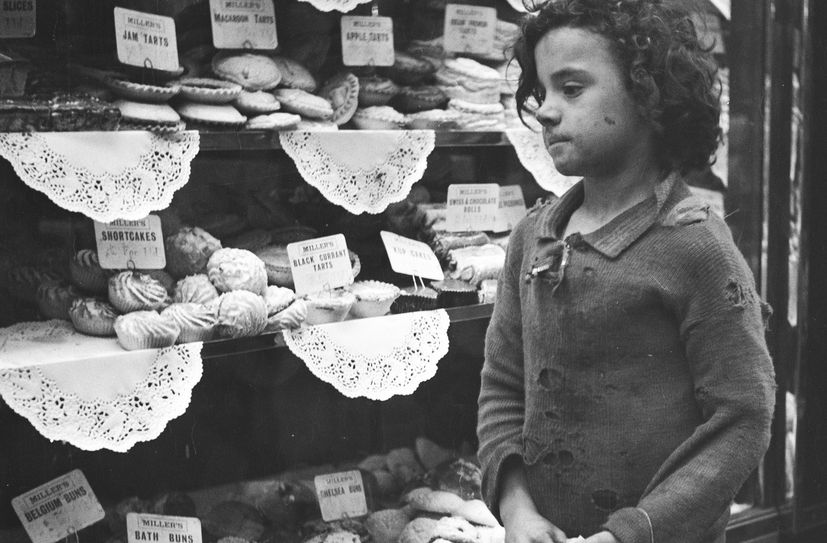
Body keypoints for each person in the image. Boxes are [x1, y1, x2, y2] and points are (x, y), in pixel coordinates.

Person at [476, 1, 777, 542]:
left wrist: (629, 534)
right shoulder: (532, 237)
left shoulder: (696, 247)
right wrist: (517, 509)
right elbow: (502, 386)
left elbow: (741, 419)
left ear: (647, 94)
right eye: (541, 92)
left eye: (571, 88)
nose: (545, 111)